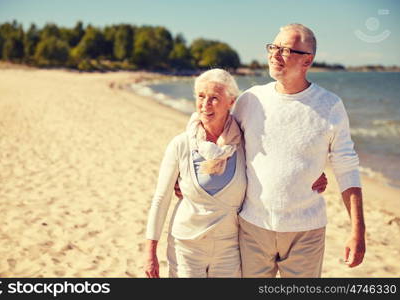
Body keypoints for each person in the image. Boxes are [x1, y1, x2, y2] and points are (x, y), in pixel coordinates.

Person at [144, 69, 328, 278]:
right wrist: (150, 252)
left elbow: (280, 162)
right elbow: (161, 199)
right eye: (201, 97)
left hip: (229, 248)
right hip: (186, 247)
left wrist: (312, 174)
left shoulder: (244, 143)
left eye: (214, 98)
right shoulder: (181, 145)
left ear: (231, 102)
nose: (205, 105)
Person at [233, 23, 366, 278]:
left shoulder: (330, 106)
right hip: (253, 226)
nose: (274, 54)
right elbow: (222, 144)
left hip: (307, 231)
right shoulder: (249, 100)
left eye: (285, 50)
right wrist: (189, 178)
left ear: (308, 60)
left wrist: (357, 232)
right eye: (273, 47)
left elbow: (347, 168)